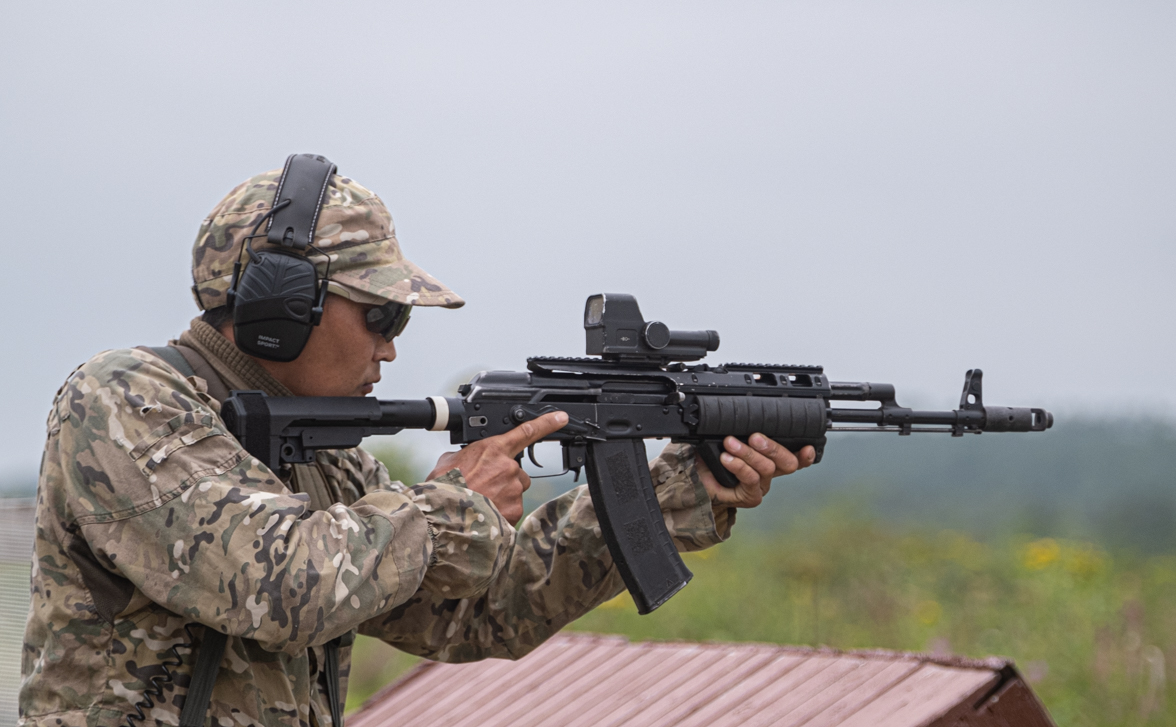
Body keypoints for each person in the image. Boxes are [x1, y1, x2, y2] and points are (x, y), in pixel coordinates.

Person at [21, 159, 813, 727]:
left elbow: (475, 614)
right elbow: (283, 585)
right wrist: (450, 508)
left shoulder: (322, 455)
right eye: (382, 316)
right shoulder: (124, 399)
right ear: (281, 307)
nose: (391, 349)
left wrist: (682, 493)